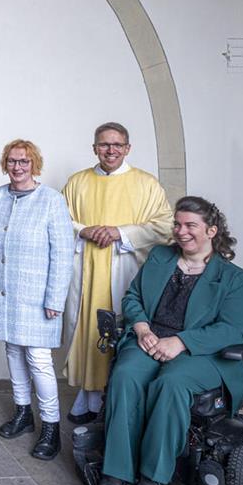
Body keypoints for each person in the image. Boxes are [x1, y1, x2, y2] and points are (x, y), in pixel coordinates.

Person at [98, 197, 243, 485]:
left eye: (190, 225)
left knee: (171, 384)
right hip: (151, 339)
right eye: (178, 224)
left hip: (203, 353)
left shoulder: (235, 278)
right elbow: (132, 298)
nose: (181, 231)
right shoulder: (160, 257)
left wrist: (181, 342)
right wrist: (142, 329)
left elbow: (233, 330)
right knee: (126, 375)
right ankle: (117, 471)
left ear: (211, 230)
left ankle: (154, 478)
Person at [61, 122, 172, 424]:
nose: (110, 150)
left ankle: (119, 398)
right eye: (104, 144)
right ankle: (88, 398)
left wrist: (119, 233)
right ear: (94, 147)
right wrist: (84, 230)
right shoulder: (77, 182)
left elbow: (163, 226)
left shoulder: (146, 184)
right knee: (88, 331)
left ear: (128, 148)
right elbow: (59, 220)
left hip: (125, 271)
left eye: (117, 145)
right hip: (85, 270)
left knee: (121, 331)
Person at [0, 139, 73, 458]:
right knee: (13, 351)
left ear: (34, 165)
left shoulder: (51, 201)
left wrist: (55, 299)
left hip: (36, 296)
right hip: (2, 291)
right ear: (5, 164)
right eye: (12, 161)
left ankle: (50, 427)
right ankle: (22, 414)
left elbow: (62, 255)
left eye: (24, 162)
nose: (17, 167)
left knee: (39, 360)